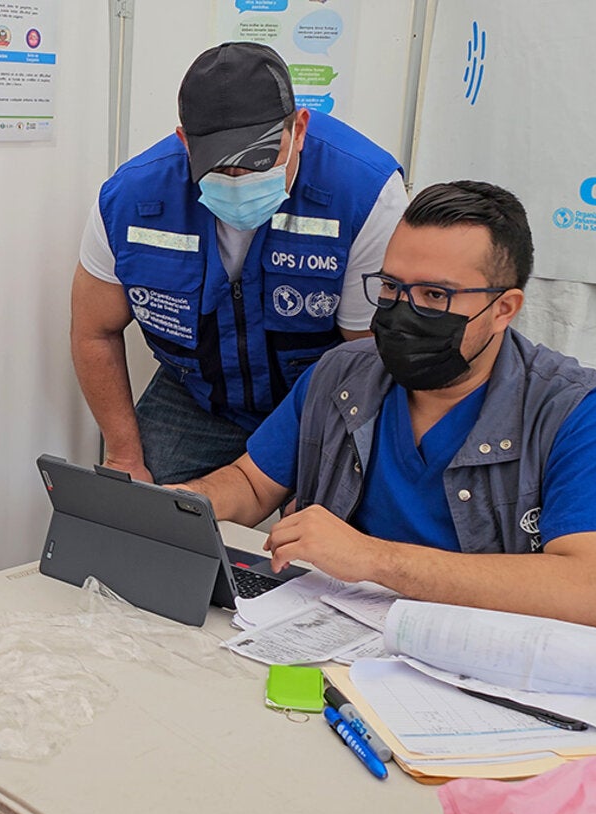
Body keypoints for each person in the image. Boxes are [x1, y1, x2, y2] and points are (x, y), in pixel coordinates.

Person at [179, 181, 596, 629]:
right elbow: (251, 483)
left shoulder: (578, 411)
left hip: (485, 666)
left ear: (504, 309)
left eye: (435, 295)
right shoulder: (343, 373)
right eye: (390, 286)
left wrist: (374, 559)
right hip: (336, 637)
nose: (402, 311)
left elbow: (591, 593)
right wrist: (179, 506)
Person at [71, 41, 408, 485]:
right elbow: (94, 329)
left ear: (299, 130)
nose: (239, 178)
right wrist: (123, 455)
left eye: (258, 160)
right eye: (222, 166)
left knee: (324, 529)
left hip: (325, 392)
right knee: (145, 517)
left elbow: (367, 356)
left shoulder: (364, 193)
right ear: (184, 143)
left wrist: (311, 478)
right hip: (199, 394)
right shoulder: (130, 200)